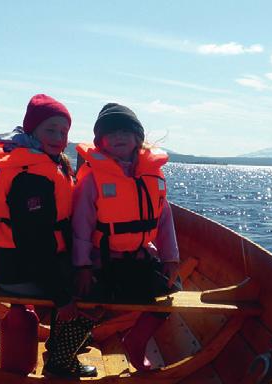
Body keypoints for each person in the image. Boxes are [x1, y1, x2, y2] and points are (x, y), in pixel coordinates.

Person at [0, 94, 97, 377]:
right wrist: (63, 296)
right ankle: (60, 364)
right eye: (50, 129)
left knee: (91, 277)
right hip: (19, 269)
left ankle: (61, 349)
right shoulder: (31, 177)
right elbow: (34, 244)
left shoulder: (52, 163)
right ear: (32, 131)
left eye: (63, 131)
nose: (58, 136)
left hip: (32, 262)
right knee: (92, 296)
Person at [72, 103, 181, 371]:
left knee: (171, 293)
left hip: (141, 258)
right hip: (101, 261)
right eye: (111, 133)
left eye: (125, 131)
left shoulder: (153, 176)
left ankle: (136, 341)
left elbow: (164, 220)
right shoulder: (92, 179)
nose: (119, 137)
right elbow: (81, 226)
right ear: (101, 142)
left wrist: (171, 257)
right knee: (85, 304)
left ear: (137, 138)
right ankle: (63, 354)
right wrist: (82, 267)